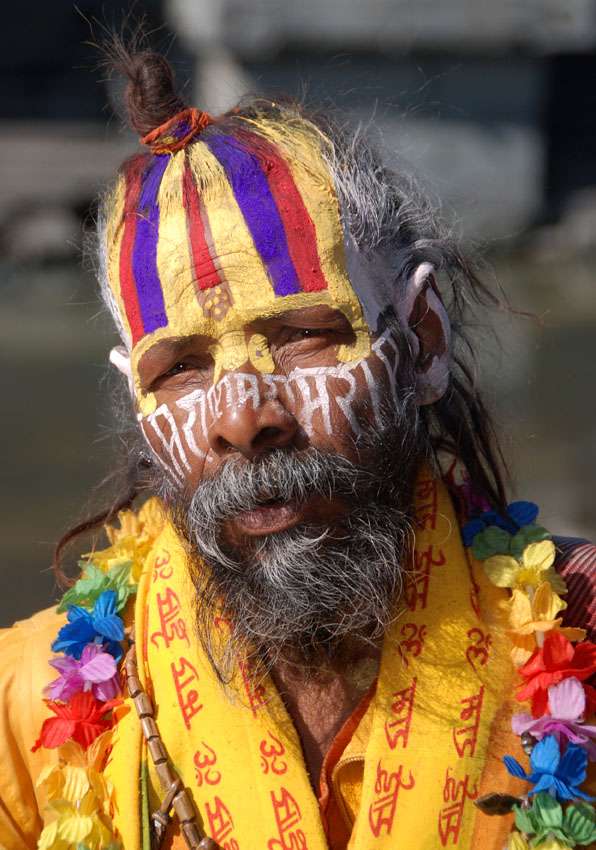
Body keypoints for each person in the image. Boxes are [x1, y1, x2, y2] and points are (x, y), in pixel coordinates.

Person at [1, 47, 595, 850]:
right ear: (140, 411)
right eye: (181, 370)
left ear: (421, 343)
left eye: (302, 336)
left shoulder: (582, 645)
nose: (242, 418)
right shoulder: (26, 708)